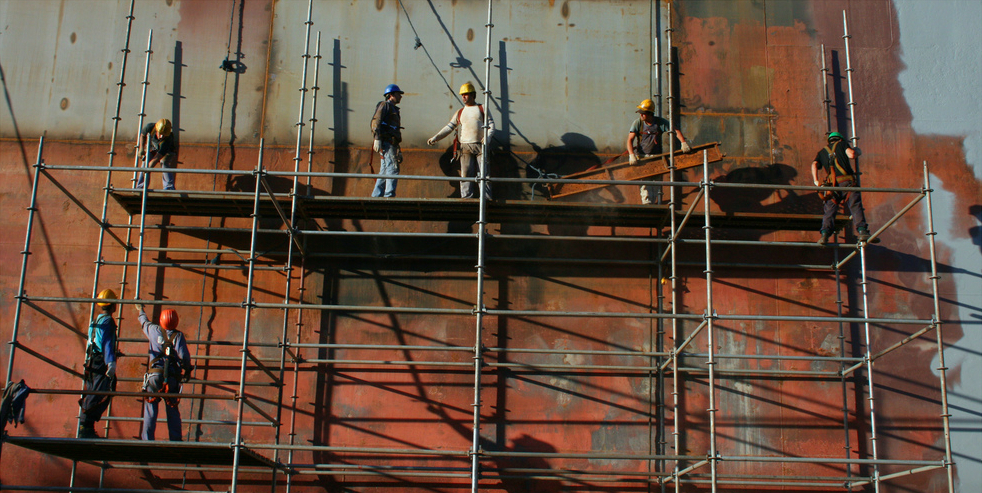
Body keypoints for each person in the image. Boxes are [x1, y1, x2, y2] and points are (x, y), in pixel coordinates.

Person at [427, 82, 496, 198]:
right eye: (462, 95)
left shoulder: (482, 108)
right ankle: (467, 198)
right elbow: (449, 127)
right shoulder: (460, 112)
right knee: (465, 174)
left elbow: (491, 124)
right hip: (465, 147)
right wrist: (436, 137)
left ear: (473, 95)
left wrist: (487, 137)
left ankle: (486, 198)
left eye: (466, 94)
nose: (463, 97)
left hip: (481, 146)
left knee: (484, 174)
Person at [136, 304, 192, 441]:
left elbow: (144, 322)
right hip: (171, 378)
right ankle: (175, 440)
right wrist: (188, 371)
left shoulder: (153, 330)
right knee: (172, 409)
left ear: (161, 320)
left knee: (150, 409)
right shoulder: (178, 336)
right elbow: (184, 356)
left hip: (154, 376)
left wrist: (140, 310)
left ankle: (147, 440)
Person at [810, 131, 873, 245]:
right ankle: (862, 231)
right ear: (840, 140)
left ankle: (824, 234)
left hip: (832, 186)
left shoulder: (822, 152)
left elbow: (814, 164)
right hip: (846, 182)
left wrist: (816, 181)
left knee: (829, 210)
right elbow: (851, 155)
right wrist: (857, 151)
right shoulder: (843, 144)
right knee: (855, 205)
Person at [626, 99, 692, 204]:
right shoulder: (638, 123)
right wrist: (631, 155)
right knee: (645, 187)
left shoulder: (659, 123)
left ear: (649, 113)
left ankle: (652, 204)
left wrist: (683, 143)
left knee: (656, 184)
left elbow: (675, 130)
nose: (641, 115)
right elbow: (630, 140)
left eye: (643, 113)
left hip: (657, 158)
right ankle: (647, 206)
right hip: (643, 158)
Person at [77, 288, 118, 439]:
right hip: (101, 360)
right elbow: (106, 343)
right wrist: (111, 362)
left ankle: (87, 426)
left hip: (92, 359)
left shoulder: (96, 321)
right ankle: (86, 426)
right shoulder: (108, 321)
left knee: (94, 389)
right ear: (113, 305)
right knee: (100, 391)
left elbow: (93, 341)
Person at [370, 84, 405, 198]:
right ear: (391, 95)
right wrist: (377, 138)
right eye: (398, 94)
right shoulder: (385, 105)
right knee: (393, 169)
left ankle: (376, 196)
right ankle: (389, 196)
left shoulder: (393, 109)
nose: (400, 96)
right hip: (386, 143)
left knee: (384, 170)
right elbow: (376, 121)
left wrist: (398, 150)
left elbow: (394, 131)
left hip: (391, 143)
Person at [135, 118, 177, 190]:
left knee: (164, 163)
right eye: (160, 134)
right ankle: (141, 187)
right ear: (157, 130)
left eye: (164, 135)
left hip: (167, 152)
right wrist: (141, 148)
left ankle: (169, 187)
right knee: (145, 163)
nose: (161, 137)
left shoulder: (168, 139)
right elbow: (142, 135)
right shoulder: (150, 127)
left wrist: (149, 167)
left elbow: (158, 156)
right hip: (153, 148)